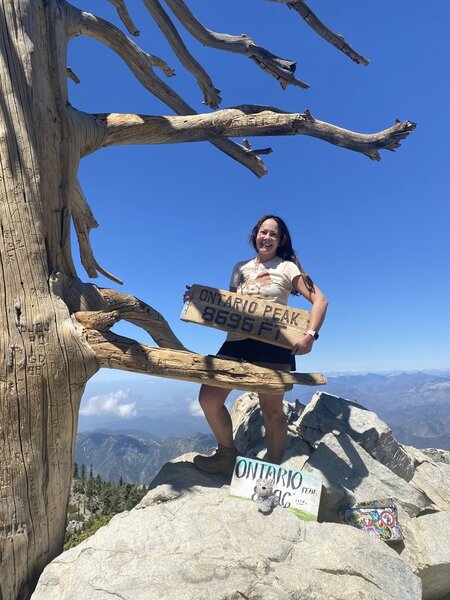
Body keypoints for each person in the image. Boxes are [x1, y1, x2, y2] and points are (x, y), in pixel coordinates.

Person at [188, 215, 328, 476]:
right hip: (236, 342)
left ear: (280, 240)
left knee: (271, 410)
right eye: (263, 232)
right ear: (255, 235)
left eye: (273, 234)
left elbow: (320, 300)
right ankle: (226, 454)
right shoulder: (239, 267)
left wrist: (310, 335)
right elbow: (229, 305)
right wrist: (200, 302)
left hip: (273, 345)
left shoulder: (287, 268)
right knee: (208, 398)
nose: (267, 237)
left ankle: (272, 469)